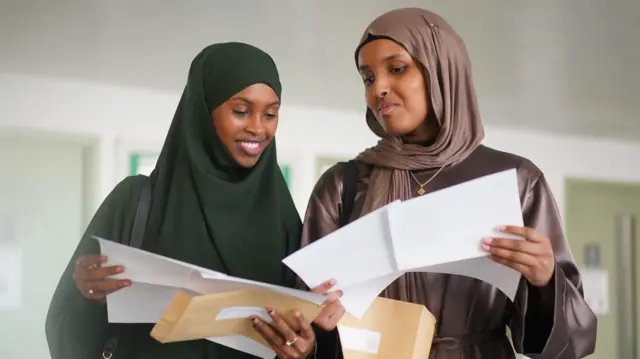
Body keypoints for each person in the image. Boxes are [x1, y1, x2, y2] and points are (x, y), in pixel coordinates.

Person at [303, 8, 597, 359]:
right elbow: (304, 324)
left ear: (441, 70)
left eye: (397, 69)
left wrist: (546, 281)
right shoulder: (342, 186)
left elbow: (575, 340)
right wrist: (314, 323)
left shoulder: (516, 181)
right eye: (368, 78)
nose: (379, 88)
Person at [45, 42, 340, 359]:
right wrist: (88, 294)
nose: (258, 127)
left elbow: (300, 336)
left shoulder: (283, 220)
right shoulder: (135, 201)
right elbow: (64, 327)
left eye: (270, 114)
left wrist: (305, 350)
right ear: (203, 109)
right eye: (241, 111)